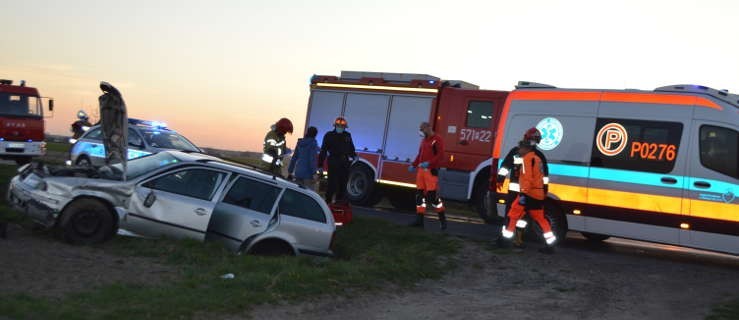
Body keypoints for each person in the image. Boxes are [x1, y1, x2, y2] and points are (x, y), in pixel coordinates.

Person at [495, 127, 549, 247]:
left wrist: (500, 178)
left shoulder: (532, 155)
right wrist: (500, 178)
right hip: (523, 192)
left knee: (514, 216)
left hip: (524, 193)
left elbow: (543, 176)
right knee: (517, 216)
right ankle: (513, 239)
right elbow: (505, 166)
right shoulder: (536, 155)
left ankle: (512, 239)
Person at [500, 140, 556, 253]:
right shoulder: (537, 159)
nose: (519, 150)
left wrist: (523, 194)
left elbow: (527, 179)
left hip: (528, 194)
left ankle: (505, 241)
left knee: (513, 215)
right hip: (538, 194)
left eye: (520, 148)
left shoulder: (527, 160)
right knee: (541, 219)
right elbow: (540, 176)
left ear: (526, 149)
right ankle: (550, 245)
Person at [407, 122, 447, 230]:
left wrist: (429, 163)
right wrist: (414, 165)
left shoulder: (437, 139)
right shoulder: (424, 140)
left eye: (422, 129)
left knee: (433, 198)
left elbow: (440, 155)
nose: (420, 131)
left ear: (428, 128)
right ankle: (419, 221)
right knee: (419, 196)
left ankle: (443, 220)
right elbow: (420, 155)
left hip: (431, 171)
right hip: (421, 171)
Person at [318, 116, 356, 203]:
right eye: (339, 126)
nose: (340, 128)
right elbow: (323, 150)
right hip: (333, 162)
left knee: (343, 184)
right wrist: (320, 165)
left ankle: (339, 202)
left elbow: (351, 148)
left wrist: (354, 156)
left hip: (345, 163)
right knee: (332, 183)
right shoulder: (329, 135)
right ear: (335, 126)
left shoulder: (347, 136)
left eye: (342, 127)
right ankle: (328, 201)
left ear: (344, 127)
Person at [287, 126, 320, 191]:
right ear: (315, 135)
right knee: (308, 195)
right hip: (308, 175)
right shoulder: (313, 143)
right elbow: (312, 159)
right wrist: (314, 173)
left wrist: (290, 171)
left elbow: (294, 158)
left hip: (298, 173)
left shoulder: (300, 143)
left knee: (297, 193)